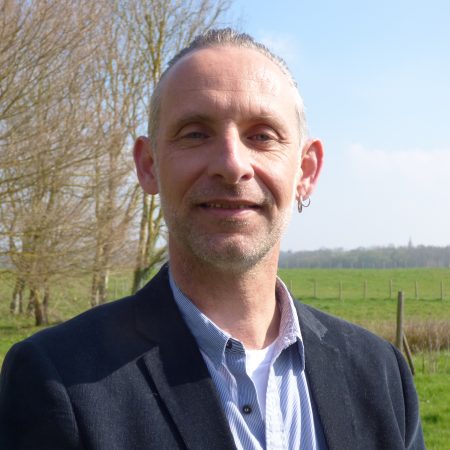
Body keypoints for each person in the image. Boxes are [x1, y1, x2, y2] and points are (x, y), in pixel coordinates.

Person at [0, 28, 425, 450]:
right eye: (195, 133)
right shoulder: (55, 380)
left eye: (262, 135)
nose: (232, 164)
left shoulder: (381, 373)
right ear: (149, 166)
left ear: (306, 171)